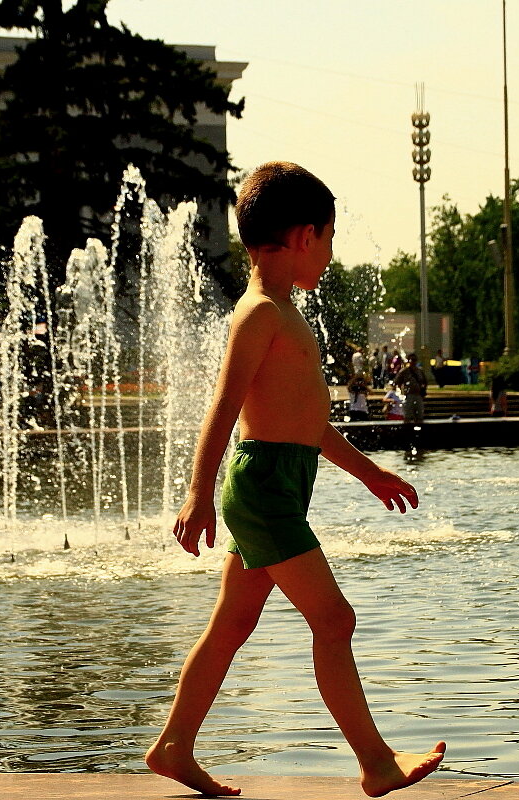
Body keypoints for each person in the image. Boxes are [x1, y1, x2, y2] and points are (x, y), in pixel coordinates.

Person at [147, 162, 445, 798]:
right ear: (305, 236)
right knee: (334, 621)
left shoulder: (283, 310)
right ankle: (376, 762)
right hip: (261, 490)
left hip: (275, 482)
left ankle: (173, 745)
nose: (332, 254)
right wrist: (198, 495)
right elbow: (223, 409)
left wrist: (369, 474)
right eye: (330, 238)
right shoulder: (259, 315)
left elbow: (308, 426)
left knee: (232, 623)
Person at [395, 352, 427, 424]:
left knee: (419, 415)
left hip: (418, 395)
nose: (413, 361)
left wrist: (423, 390)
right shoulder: (404, 371)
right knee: (407, 415)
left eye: (414, 360)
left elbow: (425, 382)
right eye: (412, 359)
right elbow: (397, 381)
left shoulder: (420, 371)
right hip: (408, 395)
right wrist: (402, 392)